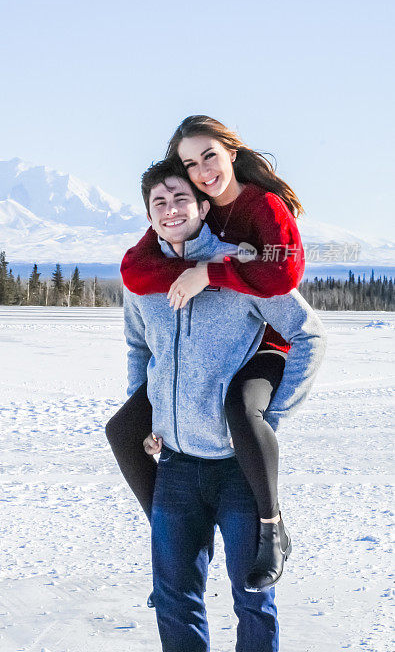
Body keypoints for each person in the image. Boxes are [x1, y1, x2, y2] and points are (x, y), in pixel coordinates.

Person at [119, 158, 326, 652]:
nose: (171, 210)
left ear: (204, 204)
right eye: (159, 203)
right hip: (176, 466)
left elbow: (308, 335)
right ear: (149, 215)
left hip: (238, 470)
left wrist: (268, 419)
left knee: (253, 597)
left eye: (180, 198)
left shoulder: (239, 265)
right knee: (174, 598)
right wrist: (146, 416)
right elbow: (138, 348)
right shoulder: (142, 279)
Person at [106, 114, 306, 592]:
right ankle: (173, 538)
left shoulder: (261, 206)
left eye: (209, 157)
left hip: (266, 345)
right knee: (121, 430)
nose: (201, 171)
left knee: (240, 409)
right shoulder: (198, 207)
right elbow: (139, 276)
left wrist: (213, 269)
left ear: (232, 153)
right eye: (190, 163)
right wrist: (169, 270)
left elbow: (283, 274)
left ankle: (271, 526)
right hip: (187, 356)